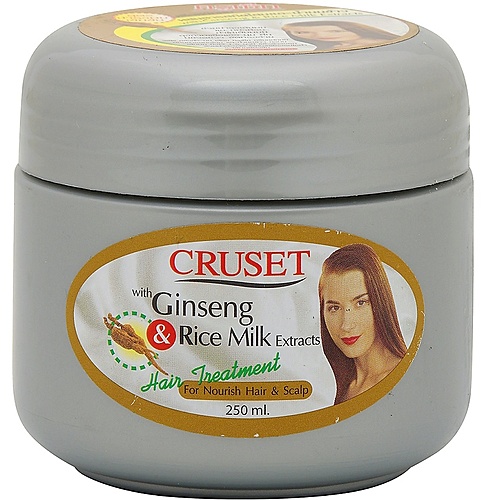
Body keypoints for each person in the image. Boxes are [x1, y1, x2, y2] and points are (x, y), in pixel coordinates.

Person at [318, 243, 407, 404]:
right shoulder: (336, 386)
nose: (346, 325)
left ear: (381, 302)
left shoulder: (403, 377)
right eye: (334, 308)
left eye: (360, 303)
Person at [282, 20, 399, 51]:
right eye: (302, 32)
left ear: (359, 30)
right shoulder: (326, 48)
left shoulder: (391, 46)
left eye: (335, 31)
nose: (319, 35)